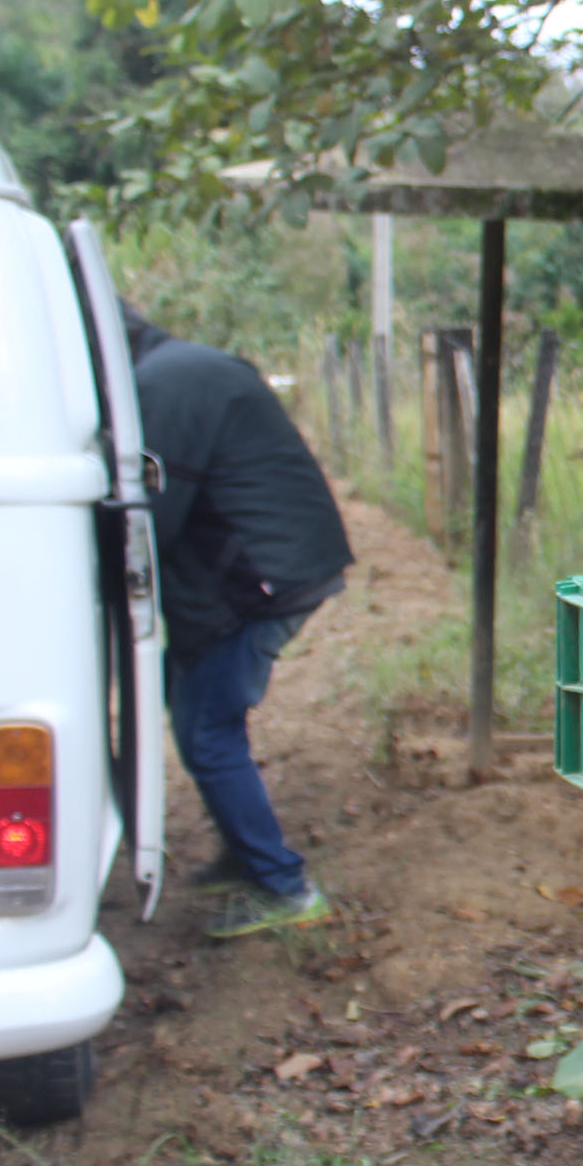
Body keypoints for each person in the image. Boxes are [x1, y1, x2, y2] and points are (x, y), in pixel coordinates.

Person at [122, 308, 356, 940]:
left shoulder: (160, 388)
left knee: (208, 732)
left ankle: (283, 886)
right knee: (193, 709)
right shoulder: (183, 367)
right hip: (271, 565)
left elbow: (149, 519)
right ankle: (243, 850)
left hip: (260, 579)